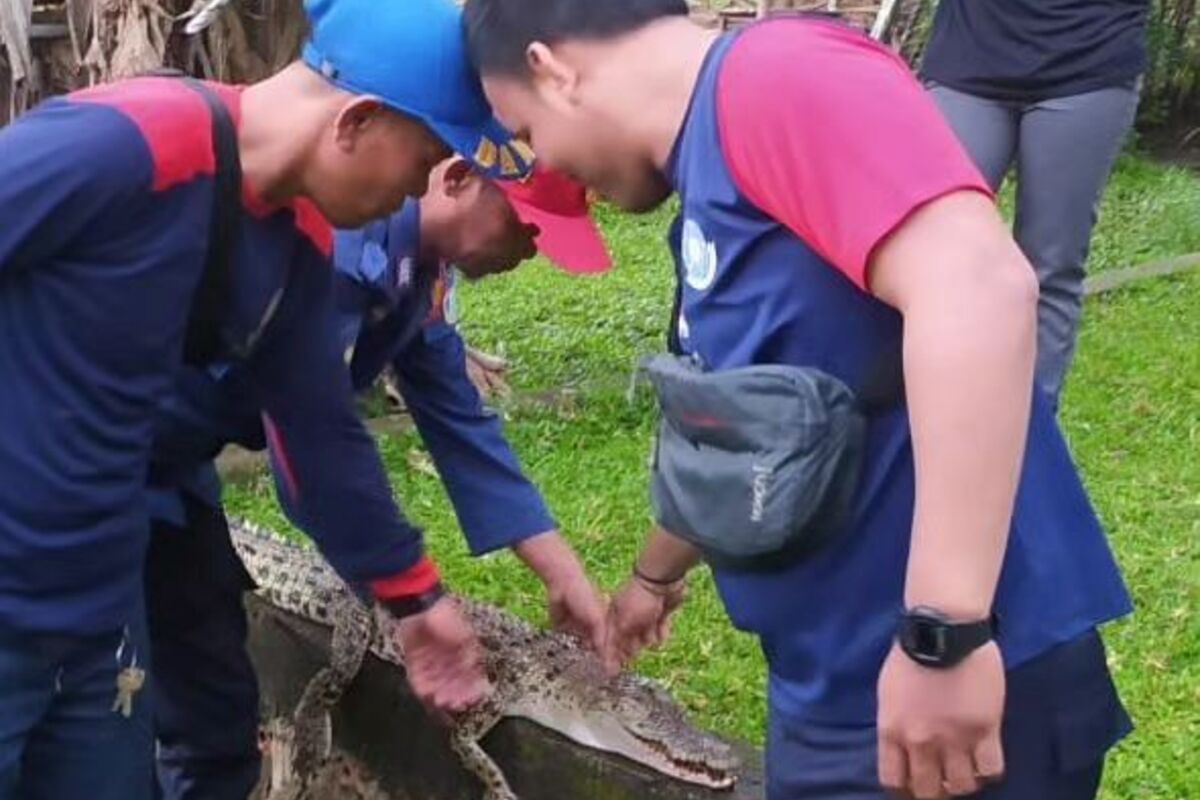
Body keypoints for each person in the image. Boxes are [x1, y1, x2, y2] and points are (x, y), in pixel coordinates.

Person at [463, 3, 1134, 799]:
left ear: (553, 69)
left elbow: (979, 288)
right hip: (837, 684)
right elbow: (753, 420)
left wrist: (943, 635)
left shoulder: (775, 76)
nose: (552, 165)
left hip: (950, 682)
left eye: (529, 133)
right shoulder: (709, 173)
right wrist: (652, 576)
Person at [0, 0, 534, 796]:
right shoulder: (130, 141)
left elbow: (318, 435)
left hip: (99, 605)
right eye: (423, 155)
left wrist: (415, 601)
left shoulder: (296, 246)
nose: (421, 188)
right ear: (356, 119)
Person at [145, 159, 611, 800]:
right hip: (87, 455)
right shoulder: (343, 248)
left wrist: (564, 575)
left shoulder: (419, 274)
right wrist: (413, 599)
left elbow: (461, 423)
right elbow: (310, 454)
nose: (530, 250)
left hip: (171, 467)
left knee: (212, 722)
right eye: (523, 224)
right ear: (454, 180)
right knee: (91, 703)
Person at [920, 0, 1151, 404]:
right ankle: (918, 425)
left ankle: (1031, 443)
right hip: (969, 56)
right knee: (931, 257)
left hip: (1088, 62)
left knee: (1049, 268)